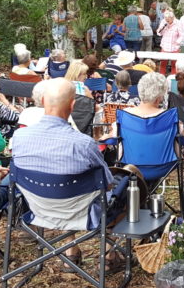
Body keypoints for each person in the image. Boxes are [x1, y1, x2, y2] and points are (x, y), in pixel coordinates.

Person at [10, 78, 121, 270]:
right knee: (119, 192)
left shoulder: (19, 137)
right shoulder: (83, 144)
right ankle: (110, 254)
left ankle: (71, 250)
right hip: (83, 214)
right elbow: (108, 183)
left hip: (38, 210)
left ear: (42, 101)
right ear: (72, 105)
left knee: (66, 190)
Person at [156, 9, 181, 75]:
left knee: (174, 65)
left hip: (174, 47)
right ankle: (161, 79)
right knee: (163, 64)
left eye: (168, 19)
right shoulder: (163, 22)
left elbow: (182, 35)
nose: (167, 20)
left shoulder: (178, 23)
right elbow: (159, 33)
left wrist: (177, 42)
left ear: (172, 17)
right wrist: (162, 27)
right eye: (165, 18)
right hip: (165, 46)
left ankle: (173, 81)